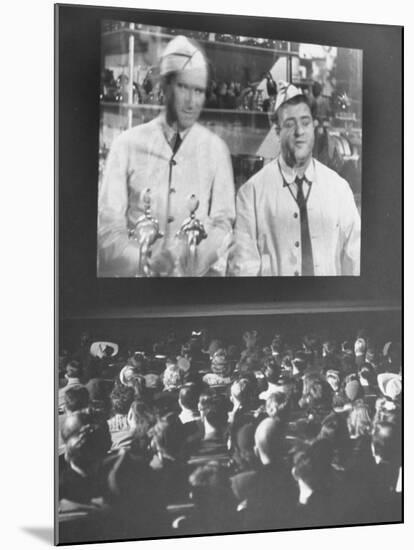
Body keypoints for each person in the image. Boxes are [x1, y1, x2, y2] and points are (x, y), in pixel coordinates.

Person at [98, 35, 235, 277]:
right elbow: (108, 228)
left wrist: (194, 261)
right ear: (165, 86)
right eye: (183, 87)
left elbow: (223, 223)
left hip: (192, 289)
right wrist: (143, 260)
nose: (192, 102)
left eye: (199, 91)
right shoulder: (127, 144)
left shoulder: (216, 149)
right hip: (136, 288)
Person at [228, 80, 360, 276]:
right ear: (276, 133)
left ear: (313, 127)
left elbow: (356, 260)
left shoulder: (339, 189)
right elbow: (242, 270)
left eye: (305, 122)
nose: (300, 131)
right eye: (290, 124)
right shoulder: (251, 194)